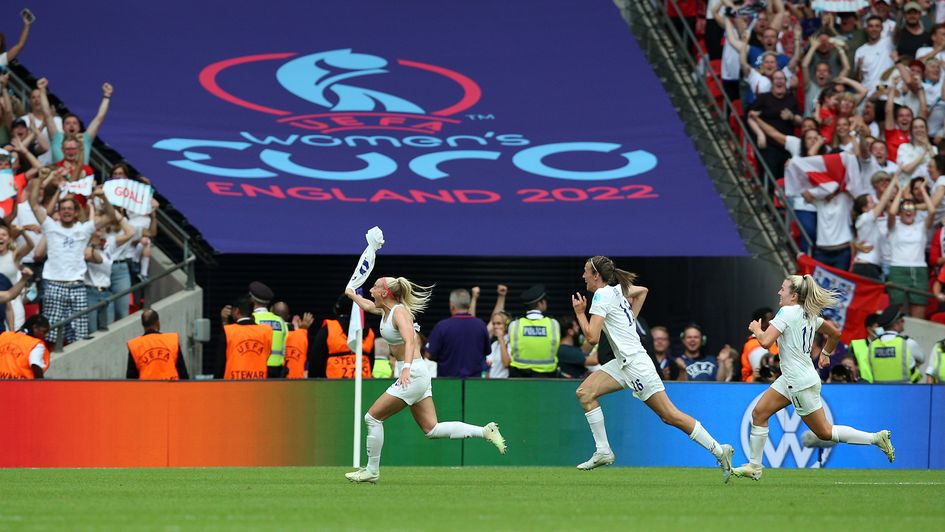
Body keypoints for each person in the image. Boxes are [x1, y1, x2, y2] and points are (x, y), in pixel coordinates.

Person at [570, 256, 733, 477]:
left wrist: (580, 313)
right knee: (585, 393)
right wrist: (629, 322)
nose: (583, 276)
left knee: (670, 415)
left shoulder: (602, 295)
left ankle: (718, 449)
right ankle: (603, 451)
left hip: (636, 365)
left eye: (586, 271)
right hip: (623, 362)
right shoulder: (617, 290)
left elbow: (592, 338)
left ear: (596, 275)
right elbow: (643, 291)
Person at [344, 276, 506, 483]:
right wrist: (351, 293)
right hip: (416, 372)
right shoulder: (385, 310)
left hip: (412, 372)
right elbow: (366, 305)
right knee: (432, 429)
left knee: (372, 418)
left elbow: (411, 339)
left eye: (375, 287)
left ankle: (371, 470)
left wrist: (406, 369)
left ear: (384, 292)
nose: (371, 290)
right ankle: (485, 431)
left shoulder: (399, 313)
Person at [731, 275, 895, 481]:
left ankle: (875, 438)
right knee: (759, 413)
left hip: (798, 382)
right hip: (792, 378)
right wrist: (825, 353)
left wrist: (756, 329)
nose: (778, 293)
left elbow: (765, 342)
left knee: (824, 432)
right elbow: (835, 333)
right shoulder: (808, 314)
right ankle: (754, 467)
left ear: (794, 295)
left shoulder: (787, 312)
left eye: (782, 289)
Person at [29, 180, 118, 344]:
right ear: (59, 212)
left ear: (76, 212)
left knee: (79, 334)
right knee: (51, 333)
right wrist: (38, 181)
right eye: (63, 209)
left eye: (70, 208)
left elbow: (111, 217)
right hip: (54, 284)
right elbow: (34, 205)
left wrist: (103, 197)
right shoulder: (50, 225)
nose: (66, 212)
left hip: (77, 285)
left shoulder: (85, 228)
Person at [425, 288, 491, 378]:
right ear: (468, 305)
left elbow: (428, 354)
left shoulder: (442, 326)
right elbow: (487, 351)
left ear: (452, 306)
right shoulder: (481, 325)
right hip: (474, 383)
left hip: (448, 383)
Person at [309, 294, 375, 379]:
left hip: (333, 387)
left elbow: (315, 362)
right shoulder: (369, 332)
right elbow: (371, 362)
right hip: (362, 386)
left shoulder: (329, 328)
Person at [508, 285, 561, 377]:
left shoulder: (515, 325)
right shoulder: (553, 324)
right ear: (540, 303)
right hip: (548, 377)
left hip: (519, 377)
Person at [867, 305, 926, 383]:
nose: (903, 322)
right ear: (895, 325)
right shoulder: (907, 343)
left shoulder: (872, 345)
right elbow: (922, 359)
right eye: (901, 320)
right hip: (903, 392)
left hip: (880, 392)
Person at [126, 309, 188, 380]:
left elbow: (131, 379)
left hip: (146, 390)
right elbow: (183, 373)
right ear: (158, 323)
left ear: (143, 326)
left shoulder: (135, 345)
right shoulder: (172, 340)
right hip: (171, 388)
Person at [219, 296, 272, 380]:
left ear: (236, 311)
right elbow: (268, 354)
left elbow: (220, 363)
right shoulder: (266, 330)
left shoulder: (228, 330)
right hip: (259, 383)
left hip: (233, 385)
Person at [248, 282, 288, 378]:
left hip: (258, 372)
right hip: (278, 373)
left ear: (252, 300)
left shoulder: (252, 319)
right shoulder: (280, 321)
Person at [0, 313, 49, 379]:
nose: (46, 335)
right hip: (22, 386)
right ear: (35, 328)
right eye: (44, 331)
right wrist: (40, 385)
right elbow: (35, 364)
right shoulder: (36, 345)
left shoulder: (4, 336)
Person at [272, 301, 314, 379]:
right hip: (296, 386)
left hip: (273, 382)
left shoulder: (267, 335)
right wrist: (303, 330)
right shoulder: (300, 336)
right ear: (288, 317)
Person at [740, 308, 779, 382]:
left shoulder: (776, 339)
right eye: (771, 319)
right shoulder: (752, 344)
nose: (774, 322)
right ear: (762, 323)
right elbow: (765, 374)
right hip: (755, 385)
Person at [485, 309, 510, 379]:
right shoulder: (493, 345)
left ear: (506, 326)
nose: (495, 326)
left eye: (499, 323)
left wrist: (501, 339)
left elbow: (506, 363)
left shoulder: (510, 342)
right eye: (493, 324)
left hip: (503, 383)